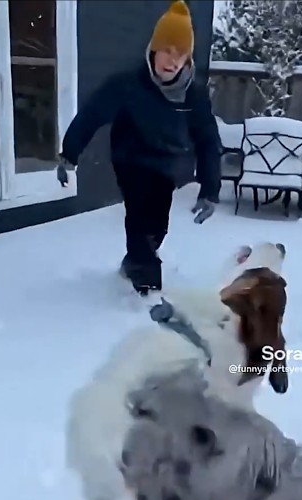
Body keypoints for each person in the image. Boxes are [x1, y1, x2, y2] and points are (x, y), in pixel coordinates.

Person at [55, 0, 223, 296]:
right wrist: (70, 153)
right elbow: (92, 115)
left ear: (187, 59)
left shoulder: (193, 96)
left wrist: (210, 189)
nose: (172, 61)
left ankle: (135, 261)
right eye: (167, 51)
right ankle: (148, 288)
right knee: (140, 216)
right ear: (153, 49)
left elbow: (208, 140)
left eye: (180, 54)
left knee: (158, 225)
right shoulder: (127, 85)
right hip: (130, 157)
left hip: (165, 162)